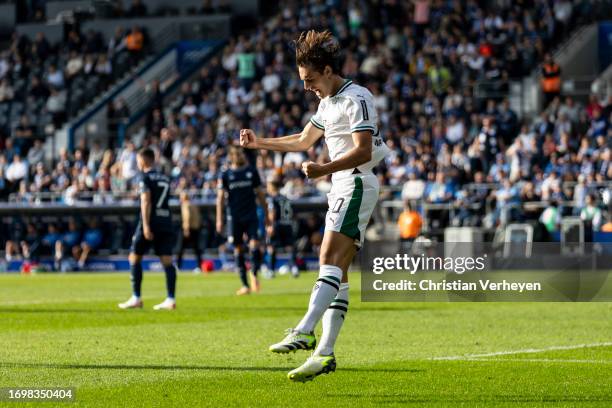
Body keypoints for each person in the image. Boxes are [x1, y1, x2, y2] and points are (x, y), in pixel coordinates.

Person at [239, 30, 389, 382]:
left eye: (310, 79)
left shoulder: (357, 98)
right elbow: (304, 140)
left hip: (354, 181)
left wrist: (323, 169)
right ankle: (323, 354)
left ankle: (305, 329)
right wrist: (260, 143)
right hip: (342, 184)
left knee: (328, 259)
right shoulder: (328, 103)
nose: (307, 87)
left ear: (326, 69)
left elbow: (363, 150)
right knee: (341, 273)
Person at [118, 148, 178, 310]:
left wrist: (145, 225)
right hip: (166, 220)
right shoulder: (165, 178)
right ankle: (170, 299)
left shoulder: (144, 177)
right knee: (167, 260)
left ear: (143, 160)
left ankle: (136, 297)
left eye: (138, 160)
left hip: (151, 221)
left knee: (134, 258)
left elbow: (146, 201)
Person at [216, 145, 268, 295]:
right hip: (234, 217)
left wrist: (267, 215)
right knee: (238, 249)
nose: (240, 156)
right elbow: (220, 198)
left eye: (241, 154)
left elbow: (260, 194)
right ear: (231, 156)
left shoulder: (251, 172)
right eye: (237, 154)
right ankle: (245, 285)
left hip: (251, 215)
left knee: (254, 245)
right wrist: (219, 219)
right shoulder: (225, 174)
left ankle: (254, 274)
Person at [265, 177, 298, 277]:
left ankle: (271, 270)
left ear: (272, 187)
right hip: (287, 224)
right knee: (290, 247)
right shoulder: (286, 198)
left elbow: (272, 212)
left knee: (271, 247)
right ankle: (294, 268)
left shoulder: (272, 198)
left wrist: (270, 226)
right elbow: (292, 213)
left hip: (277, 224)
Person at [177, 190, 203, 273]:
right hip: (196, 229)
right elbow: (199, 218)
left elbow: (187, 217)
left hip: (188, 229)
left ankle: (178, 266)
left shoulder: (185, 205)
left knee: (180, 248)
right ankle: (199, 266)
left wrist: (186, 229)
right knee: (197, 249)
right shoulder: (194, 205)